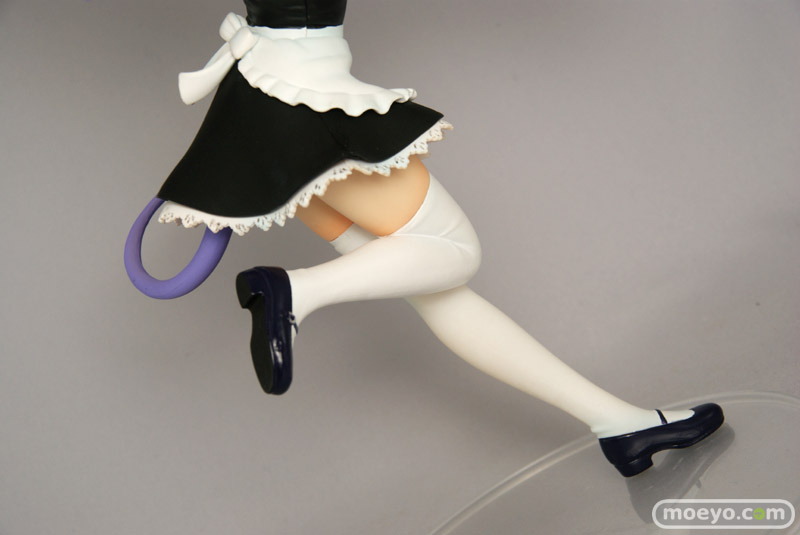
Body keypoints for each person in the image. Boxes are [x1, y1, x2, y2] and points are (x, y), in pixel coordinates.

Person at [136, 0, 724, 477]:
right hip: (302, 102)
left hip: (266, 105)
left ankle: (621, 425)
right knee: (454, 251)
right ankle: (295, 292)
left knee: (437, 290)